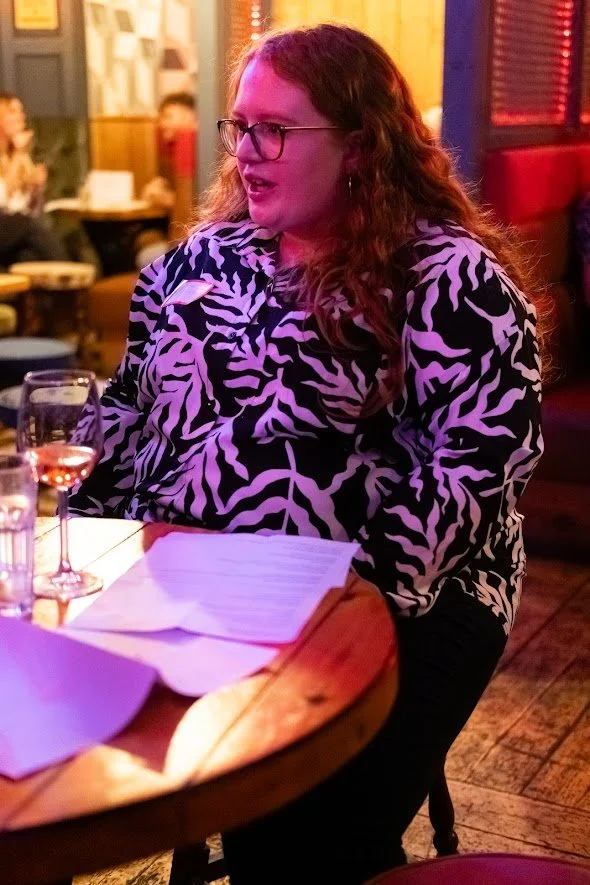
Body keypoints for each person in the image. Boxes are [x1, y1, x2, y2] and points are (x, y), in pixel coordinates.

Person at [69, 23, 544, 884]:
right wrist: (65, 532)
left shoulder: (449, 279)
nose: (247, 152)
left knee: (295, 838)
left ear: (361, 145)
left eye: (275, 130)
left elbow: (471, 481)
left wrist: (293, 588)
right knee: (51, 740)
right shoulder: (198, 264)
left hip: (413, 601)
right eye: (239, 127)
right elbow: (133, 415)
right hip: (202, 596)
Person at [0, 91, 67, 266]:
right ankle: (69, 275)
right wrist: (19, 153)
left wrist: (37, 189)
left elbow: (31, 211)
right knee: (27, 224)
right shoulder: (18, 155)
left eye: (22, 111)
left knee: (28, 257)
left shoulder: (20, 157)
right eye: (13, 111)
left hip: (13, 234)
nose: (22, 116)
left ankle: (65, 287)